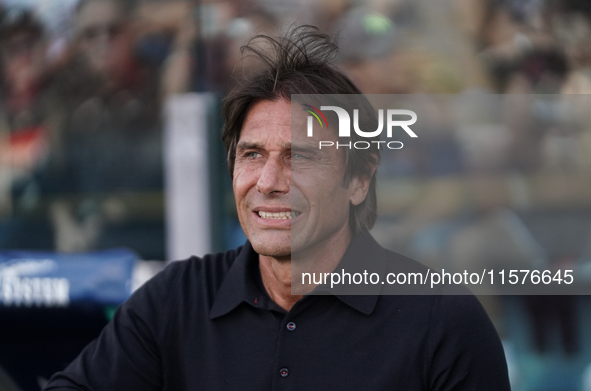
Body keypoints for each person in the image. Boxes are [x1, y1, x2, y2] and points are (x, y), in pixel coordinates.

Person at [44, 26, 510, 390]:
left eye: (299, 156)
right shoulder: (175, 301)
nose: (267, 183)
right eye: (252, 155)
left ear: (358, 178)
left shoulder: (443, 321)